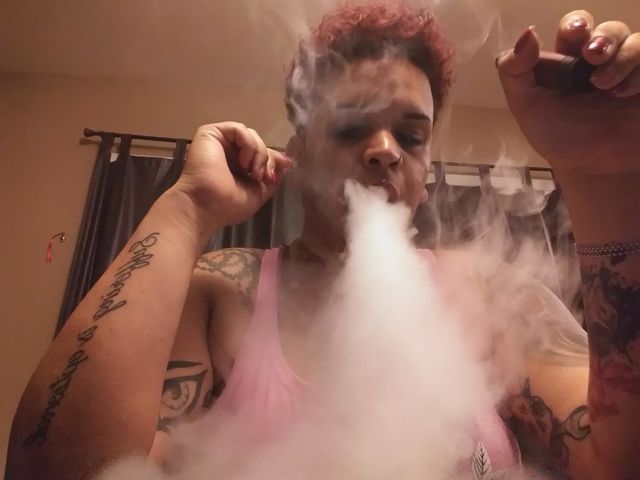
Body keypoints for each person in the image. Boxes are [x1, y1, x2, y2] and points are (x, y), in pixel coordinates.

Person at [6, 3, 640, 480]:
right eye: (350, 128)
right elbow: (57, 469)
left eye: (411, 136)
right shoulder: (222, 291)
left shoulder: (489, 290)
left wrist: (605, 178)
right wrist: (186, 209)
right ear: (299, 156)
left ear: (425, 174)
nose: (385, 150)